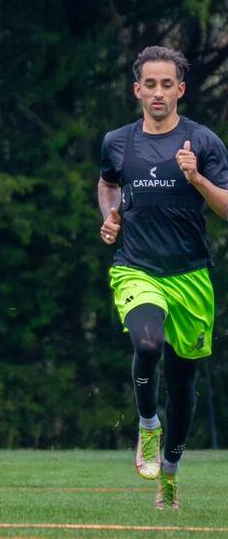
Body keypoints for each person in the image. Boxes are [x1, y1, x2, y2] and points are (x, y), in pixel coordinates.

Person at [98, 45, 228, 510]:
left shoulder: (205, 143)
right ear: (137, 89)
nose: (157, 92)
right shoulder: (118, 141)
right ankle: (147, 424)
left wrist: (197, 180)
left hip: (190, 275)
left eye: (166, 84)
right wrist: (111, 217)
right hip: (136, 268)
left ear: (181, 90)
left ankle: (169, 475)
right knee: (147, 345)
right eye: (149, 84)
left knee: (183, 381)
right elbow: (109, 183)